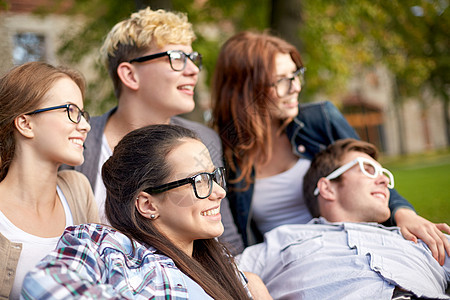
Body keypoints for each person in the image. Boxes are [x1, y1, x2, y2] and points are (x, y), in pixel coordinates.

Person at [211, 30, 449, 262]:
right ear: (246, 90)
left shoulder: (320, 120)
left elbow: (371, 174)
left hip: (348, 250)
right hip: (285, 266)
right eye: (283, 81)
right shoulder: (225, 154)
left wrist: (403, 212)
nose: (296, 87)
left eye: (296, 75)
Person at [61, 6, 244, 254]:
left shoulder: (204, 140)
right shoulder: (75, 141)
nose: (193, 70)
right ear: (130, 74)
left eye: (193, 59)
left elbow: (227, 243)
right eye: (177, 59)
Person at [22, 124, 263, 299]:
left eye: (214, 176)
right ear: (148, 205)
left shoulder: (223, 265)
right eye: (200, 180)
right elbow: (43, 285)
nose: (219, 191)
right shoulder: (106, 246)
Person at [237, 138, 450, 299]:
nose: (384, 179)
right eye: (369, 170)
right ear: (327, 188)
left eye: (384, 173)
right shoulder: (282, 240)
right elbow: (222, 272)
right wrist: (254, 285)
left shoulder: (421, 239)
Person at [0, 62, 99, 299]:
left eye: (83, 114)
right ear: (25, 123)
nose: (85, 125)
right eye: (70, 111)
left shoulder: (77, 189)